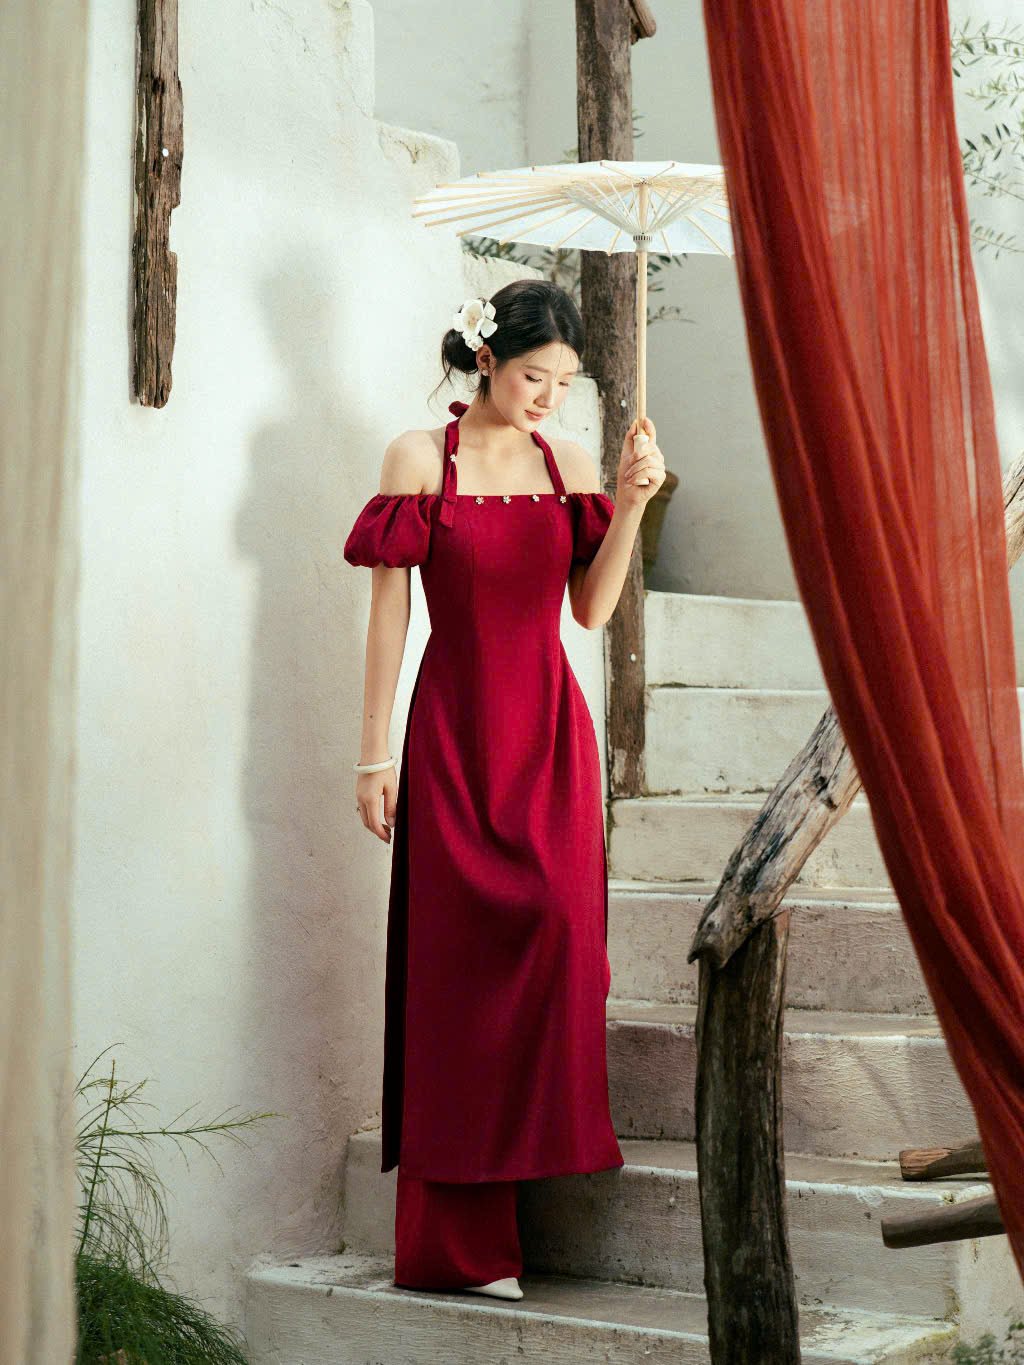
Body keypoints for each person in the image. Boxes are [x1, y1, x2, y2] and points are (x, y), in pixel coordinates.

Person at [343, 278, 665, 1299]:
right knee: (455, 976)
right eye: (535, 377)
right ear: (485, 359)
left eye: (565, 383)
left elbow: (591, 611)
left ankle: (532, 1172)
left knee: (561, 942)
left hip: (551, 739)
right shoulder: (416, 458)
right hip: (451, 735)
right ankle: (460, 1244)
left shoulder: (570, 464)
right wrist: (373, 754)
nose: (550, 399)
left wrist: (632, 506)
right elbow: (391, 615)